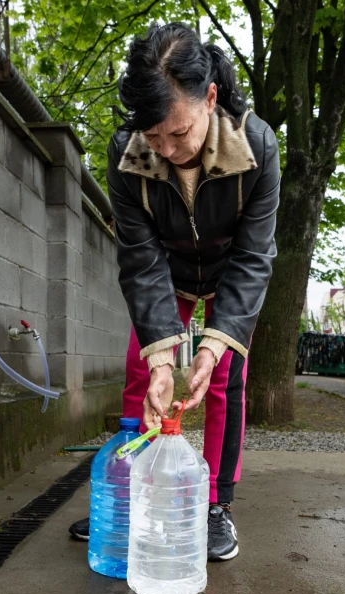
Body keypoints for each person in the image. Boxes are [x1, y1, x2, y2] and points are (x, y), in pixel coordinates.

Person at [69, 22, 280, 562]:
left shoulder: (257, 146)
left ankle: (214, 504)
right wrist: (166, 359)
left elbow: (255, 257)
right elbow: (140, 261)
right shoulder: (126, 154)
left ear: (209, 98)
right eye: (153, 137)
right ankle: (130, 491)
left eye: (178, 133)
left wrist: (212, 344)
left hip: (230, 267)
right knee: (144, 370)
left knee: (225, 375)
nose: (166, 150)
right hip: (167, 268)